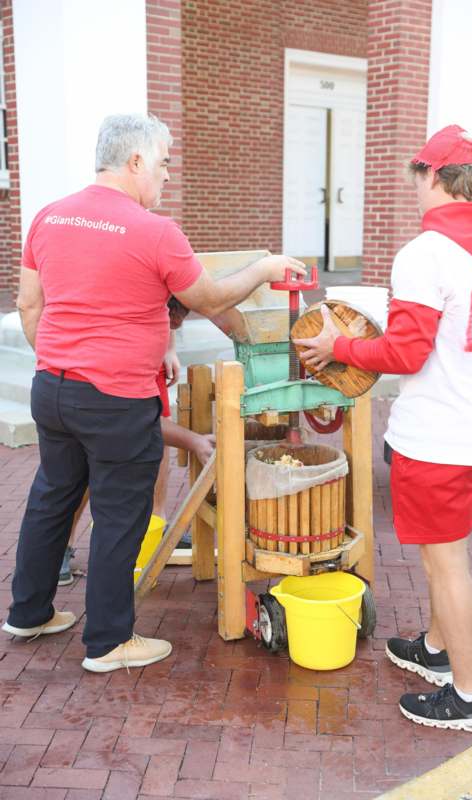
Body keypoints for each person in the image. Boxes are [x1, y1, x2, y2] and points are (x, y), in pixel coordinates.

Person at [4, 112, 305, 673]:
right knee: (122, 514)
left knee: (52, 498)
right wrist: (263, 268)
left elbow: (28, 305)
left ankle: (28, 612)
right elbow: (212, 299)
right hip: (116, 398)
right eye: (164, 164)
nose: (167, 176)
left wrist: (61, 356)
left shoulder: (48, 215)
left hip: (53, 390)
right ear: (135, 162)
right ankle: (109, 643)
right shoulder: (154, 230)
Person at [294, 124, 472, 733]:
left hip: (442, 432)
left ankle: (471, 697)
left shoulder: (424, 253)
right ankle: (435, 648)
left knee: (444, 563)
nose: (416, 191)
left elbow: (405, 353)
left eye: (418, 178)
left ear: (433, 175)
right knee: (446, 552)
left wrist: (337, 344)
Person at [58, 297, 213, 585]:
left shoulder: (162, 312)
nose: (177, 324)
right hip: (103, 363)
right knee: (93, 458)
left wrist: (169, 347)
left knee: (157, 446)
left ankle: (156, 523)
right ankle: (61, 547)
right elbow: (146, 423)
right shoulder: (124, 325)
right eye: (173, 319)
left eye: (177, 321)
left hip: (146, 344)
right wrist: (194, 441)